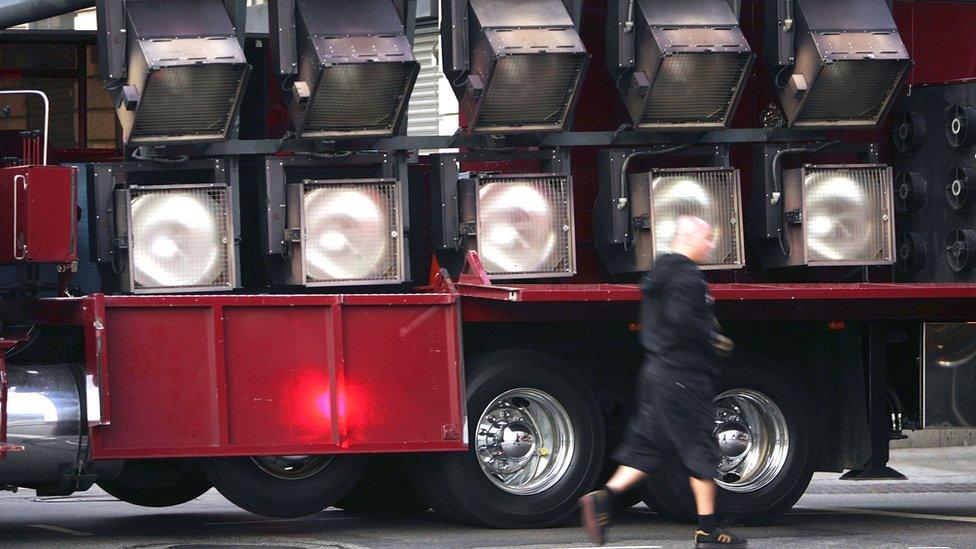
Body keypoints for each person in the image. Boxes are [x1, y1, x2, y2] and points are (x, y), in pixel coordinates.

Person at [579, 216, 746, 548]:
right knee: (700, 447)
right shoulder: (687, 278)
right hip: (684, 376)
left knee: (648, 446)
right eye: (708, 237)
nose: (711, 245)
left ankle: (603, 499)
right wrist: (711, 337)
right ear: (689, 239)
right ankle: (708, 531)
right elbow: (681, 318)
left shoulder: (659, 274)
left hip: (657, 374)